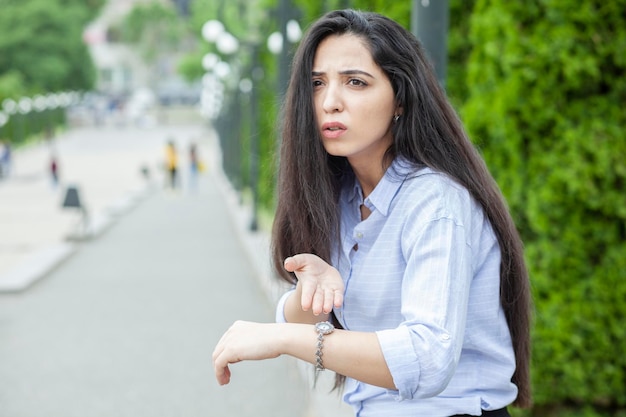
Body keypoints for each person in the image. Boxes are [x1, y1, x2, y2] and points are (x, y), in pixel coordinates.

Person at [212, 9, 531, 417]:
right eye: (316, 83)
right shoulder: (340, 196)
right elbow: (301, 318)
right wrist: (317, 296)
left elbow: (428, 356)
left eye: (355, 82)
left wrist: (280, 339)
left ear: (400, 97)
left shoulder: (434, 202)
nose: (330, 102)